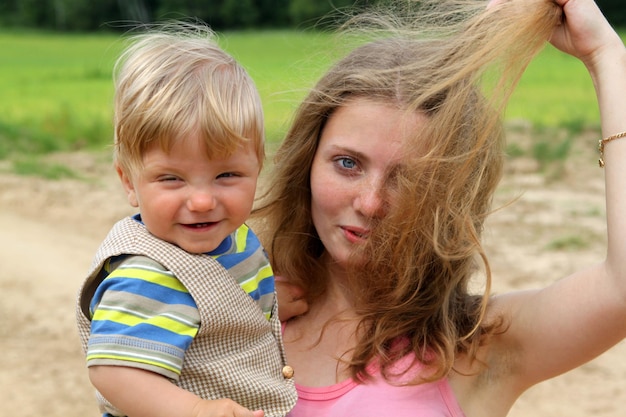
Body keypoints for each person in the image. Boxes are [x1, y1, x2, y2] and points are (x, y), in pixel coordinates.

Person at [252, 0, 626, 416]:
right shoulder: (233, 307)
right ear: (307, 161)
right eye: (348, 164)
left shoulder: (477, 349)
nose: (371, 202)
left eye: (409, 179)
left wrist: (605, 56)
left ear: (449, 196)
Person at [75, 24, 296, 417]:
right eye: (171, 178)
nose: (202, 201)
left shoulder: (237, 239)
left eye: (227, 175)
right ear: (130, 182)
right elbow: (114, 370)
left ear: (258, 168)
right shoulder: (147, 275)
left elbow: (221, 303)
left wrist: (270, 307)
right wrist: (195, 411)